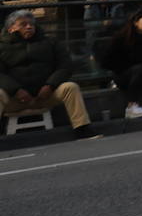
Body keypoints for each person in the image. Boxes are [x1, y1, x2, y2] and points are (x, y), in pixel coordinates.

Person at [1, 11, 100, 139]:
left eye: (31, 24)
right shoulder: (2, 47)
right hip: (14, 99)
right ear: (11, 28)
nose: (29, 27)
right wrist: (16, 90)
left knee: (70, 87)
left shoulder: (50, 42)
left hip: (45, 96)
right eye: (23, 24)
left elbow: (65, 66)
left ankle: (82, 128)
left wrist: (50, 85)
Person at [99, 8, 142, 118]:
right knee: (139, 69)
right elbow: (106, 61)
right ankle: (131, 106)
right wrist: (125, 65)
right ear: (136, 22)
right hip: (124, 74)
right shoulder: (121, 38)